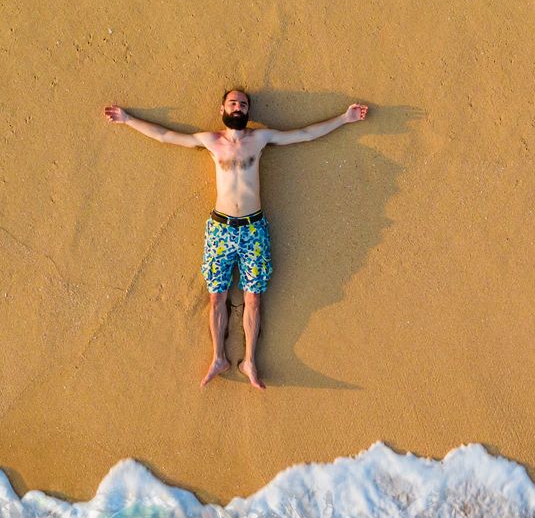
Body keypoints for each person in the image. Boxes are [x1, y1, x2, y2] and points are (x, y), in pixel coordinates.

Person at [103, 89, 368, 388]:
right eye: (233, 103)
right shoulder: (211, 141)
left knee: (253, 297)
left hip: (254, 230)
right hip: (221, 228)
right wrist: (127, 119)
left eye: (243, 104)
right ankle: (219, 357)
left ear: (248, 111)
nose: (238, 107)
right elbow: (165, 135)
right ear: (223, 109)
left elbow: (304, 134)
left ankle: (249, 361)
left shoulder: (261, 138)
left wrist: (344, 119)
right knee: (217, 295)